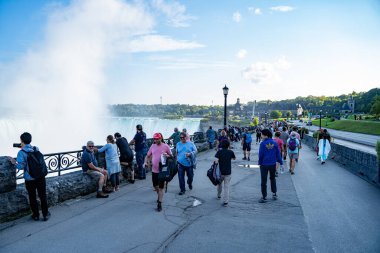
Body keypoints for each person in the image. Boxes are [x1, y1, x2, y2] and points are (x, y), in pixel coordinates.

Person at [11, 132, 51, 221]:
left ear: (21, 140)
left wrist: (14, 162)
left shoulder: (21, 152)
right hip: (40, 176)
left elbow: (21, 166)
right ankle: (45, 214)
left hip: (30, 179)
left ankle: (36, 215)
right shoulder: (36, 149)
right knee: (42, 195)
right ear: (30, 140)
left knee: (32, 197)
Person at [144, 133, 173, 212]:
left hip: (162, 170)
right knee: (155, 186)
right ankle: (159, 196)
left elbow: (171, 156)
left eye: (157, 139)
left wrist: (167, 155)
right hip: (154, 170)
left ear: (161, 138)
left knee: (160, 187)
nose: (156, 140)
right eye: (155, 139)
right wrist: (145, 162)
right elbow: (147, 155)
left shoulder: (166, 146)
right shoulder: (153, 146)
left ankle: (159, 203)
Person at [258, 129, 283, 203]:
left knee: (263, 181)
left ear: (265, 135)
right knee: (273, 179)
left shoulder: (262, 144)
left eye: (262, 134)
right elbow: (278, 154)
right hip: (272, 164)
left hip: (264, 164)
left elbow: (261, 155)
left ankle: (264, 197)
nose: (261, 135)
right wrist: (281, 162)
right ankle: (274, 193)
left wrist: (260, 162)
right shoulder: (274, 143)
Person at [215, 140, 236, 206]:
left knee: (219, 184)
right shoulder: (230, 152)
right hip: (228, 172)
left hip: (220, 172)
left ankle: (219, 195)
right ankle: (225, 201)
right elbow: (234, 158)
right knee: (226, 187)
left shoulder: (219, 152)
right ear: (228, 145)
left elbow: (216, 161)